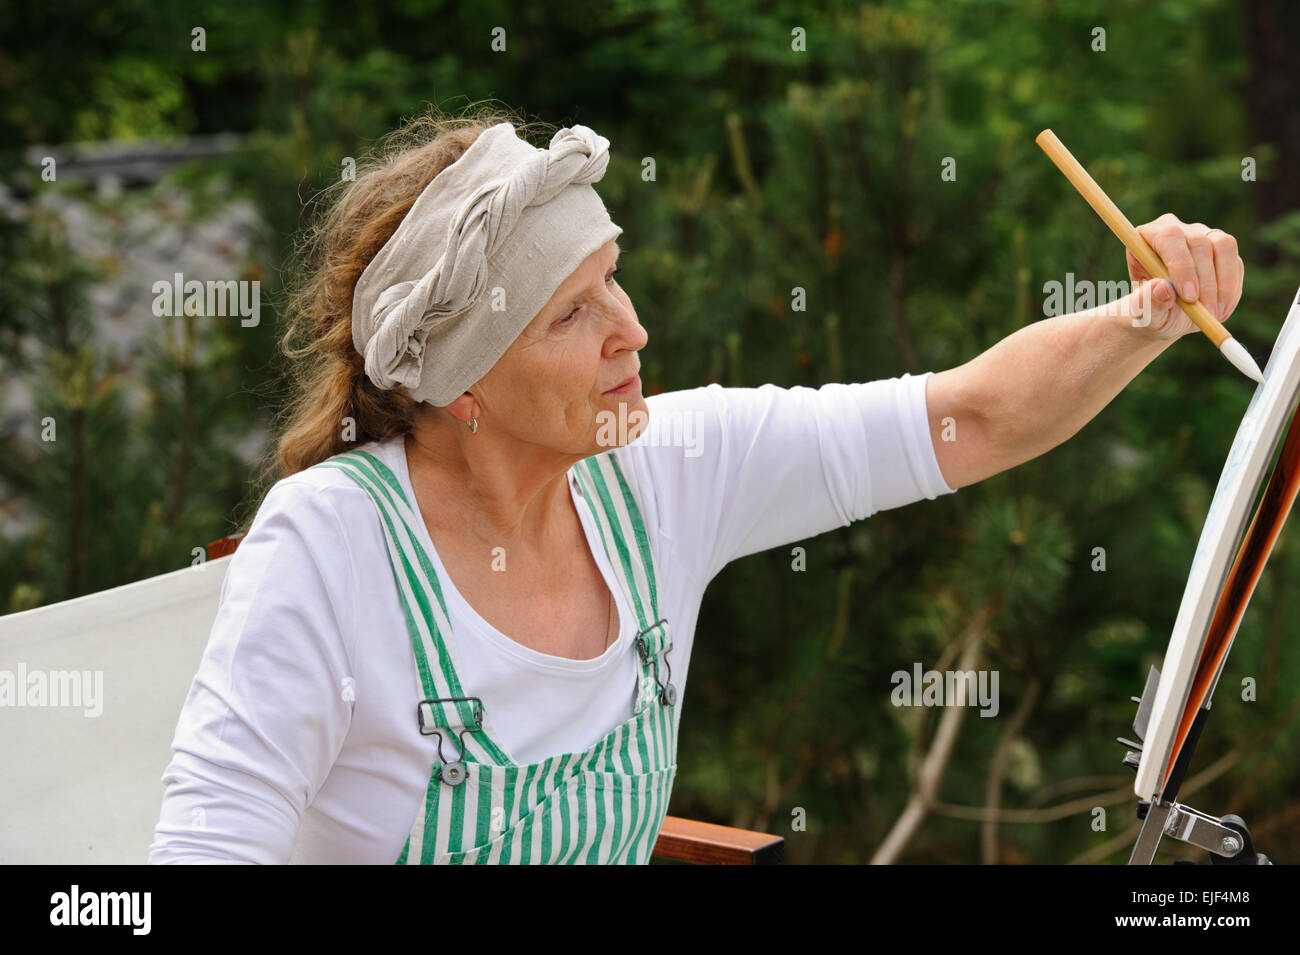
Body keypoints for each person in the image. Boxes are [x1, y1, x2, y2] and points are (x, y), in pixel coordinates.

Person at [148, 109, 1243, 864]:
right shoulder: (333, 543)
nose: (633, 331)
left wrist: (1140, 317)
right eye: (573, 314)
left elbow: (970, 416)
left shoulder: (663, 469)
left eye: (611, 278)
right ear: (462, 386)